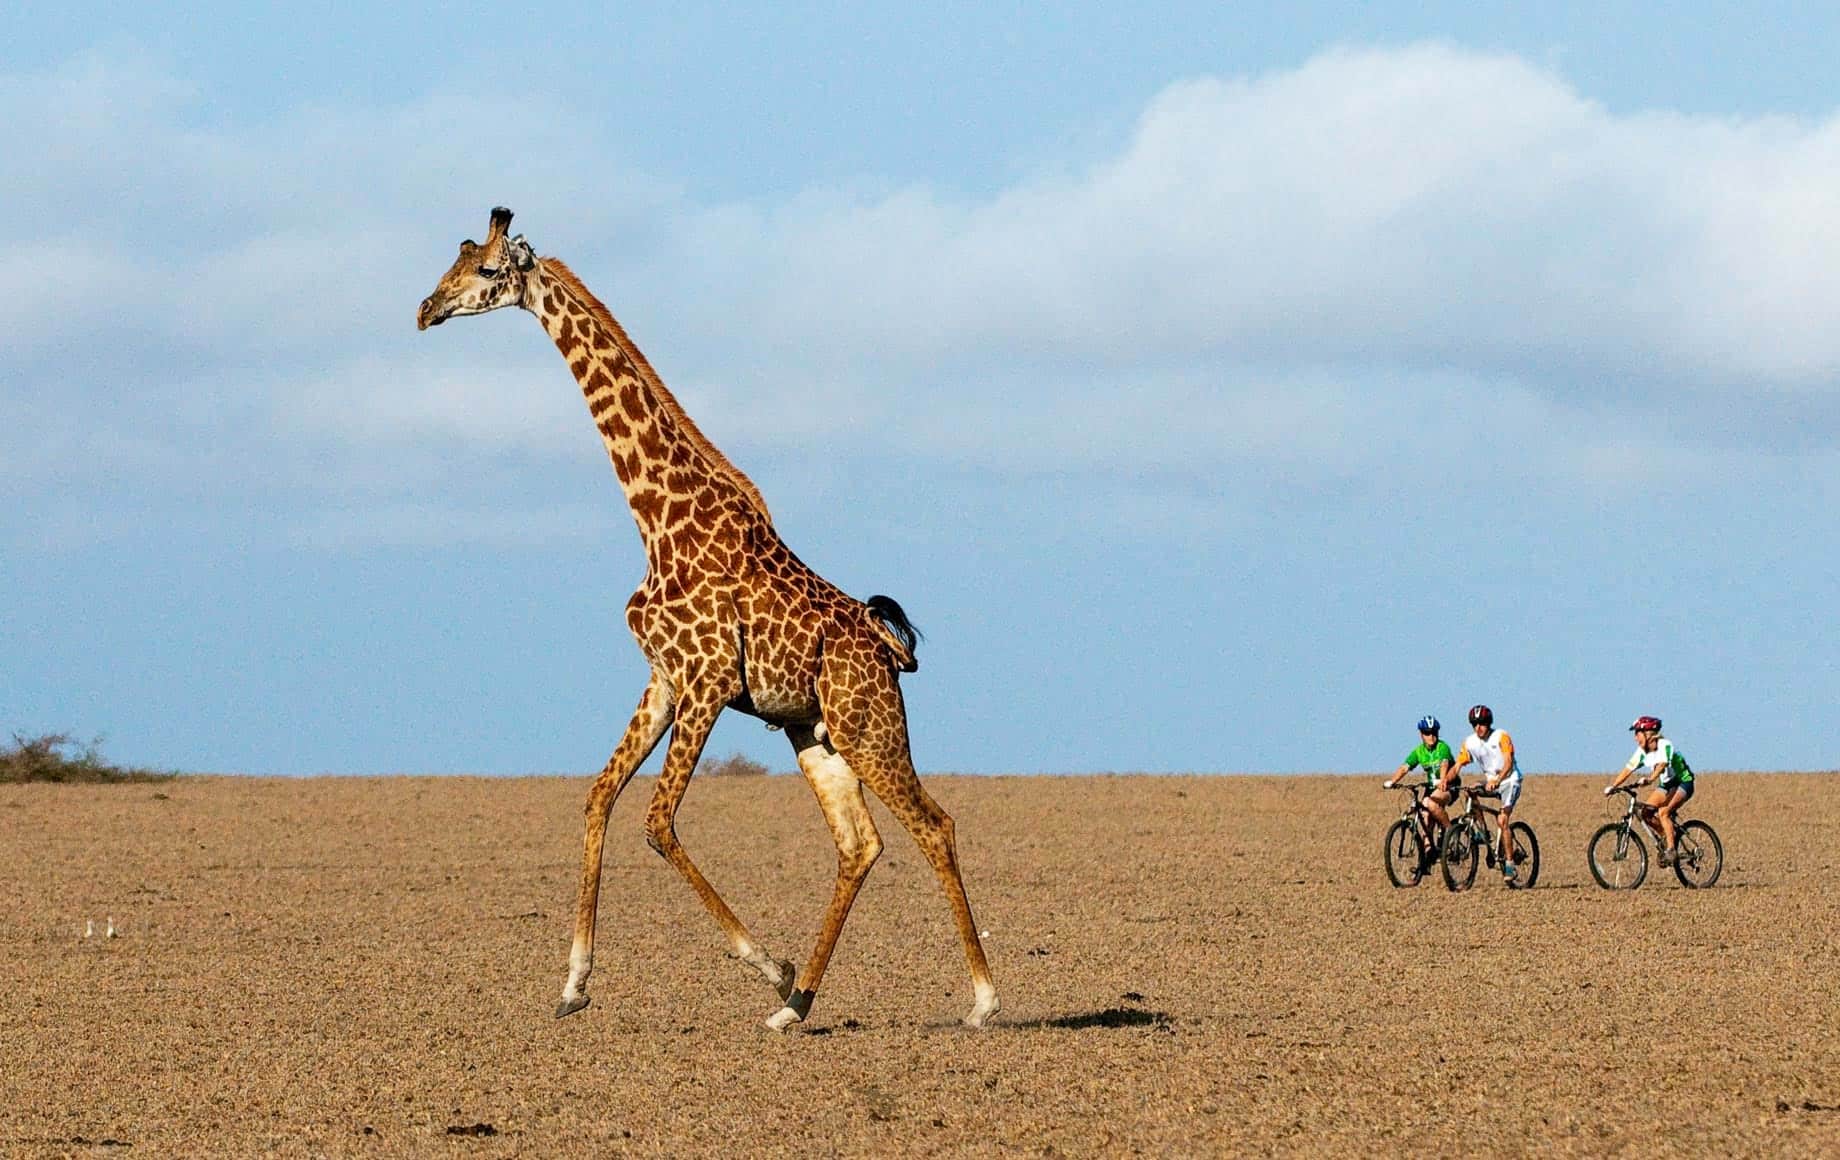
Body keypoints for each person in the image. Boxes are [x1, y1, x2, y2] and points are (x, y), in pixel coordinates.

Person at [1603, 715, 1695, 865]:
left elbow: (1662, 765)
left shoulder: (1665, 745)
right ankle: (1668, 836)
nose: (1635, 738)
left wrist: (1650, 779)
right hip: (1666, 785)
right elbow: (1628, 769)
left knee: (1663, 812)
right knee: (1645, 812)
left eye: (1637, 733)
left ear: (1648, 733)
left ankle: (1672, 850)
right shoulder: (1641, 752)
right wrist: (1614, 786)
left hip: (1683, 782)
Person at [1450, 704, 1524, 880]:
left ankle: (1509, 865)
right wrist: (1446, 781)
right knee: (1470, 790)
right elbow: (1458, 765)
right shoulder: (1470, 742)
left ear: (1488, 723)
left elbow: (1508, 762)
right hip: (1491, 781)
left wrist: (1498, 781)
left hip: (1509, 780)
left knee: (1502, 820)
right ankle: (1483, 831)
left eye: (1482, 723)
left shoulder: (1501, 736)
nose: (1478, 728)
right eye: (1474, 724)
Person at [1384, 715, 1459, 843]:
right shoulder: (1419, 751)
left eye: (1434, 732)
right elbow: (1405, 767)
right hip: (1431, 787)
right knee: (1424, 813)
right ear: (1421, 734)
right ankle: (1428, 851)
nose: (1431, 736)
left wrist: (1442, 781)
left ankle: (1451, 832)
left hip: (1449, 786)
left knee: (1431, 804)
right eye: (1427, 733)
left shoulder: (1442, 747)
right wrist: (1393, 782)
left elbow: (1444, 764)